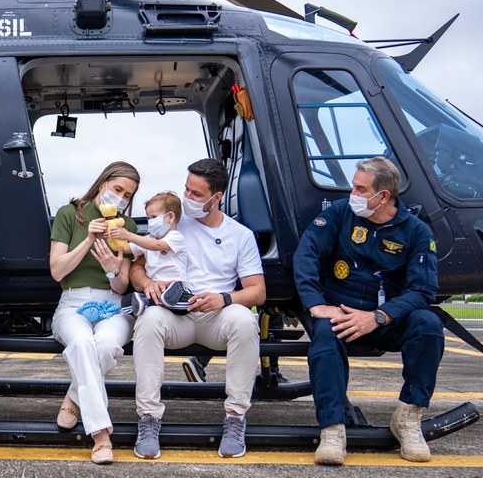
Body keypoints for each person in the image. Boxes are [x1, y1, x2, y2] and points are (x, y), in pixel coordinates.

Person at [293, 156, 442, 466]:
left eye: (360, 189)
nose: (353, 194)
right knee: (324, 334)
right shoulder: (340, 214)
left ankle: (408, 418)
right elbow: (307, 252)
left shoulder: (416, 232)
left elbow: (423, 290)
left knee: (428, 325)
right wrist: (315, 303)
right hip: (341, 312)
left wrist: (379, 317)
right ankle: (333, 429)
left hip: (388, 318)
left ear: (383, 195)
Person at [130, 158, 266, 459]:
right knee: (149, 319)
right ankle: (149, 417)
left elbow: (258, 292)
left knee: (244, 320)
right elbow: (136, 268)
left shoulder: (240, 235)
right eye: (186, 190)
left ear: (216, 198)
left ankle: (235, 417)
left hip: (216, 315)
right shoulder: (171, 223)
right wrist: (145, 283)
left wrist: (225, 298)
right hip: (174, 315)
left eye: (196, 194)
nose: (187, 199)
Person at [49, 161, 140, 465]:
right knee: (84, 343)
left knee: (105, 345)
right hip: (72, 303)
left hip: (112, 305)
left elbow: (123, 284)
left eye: (128, 195)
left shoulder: (127, 227)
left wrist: (113, 271)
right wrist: (88, 239)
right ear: (103, 183)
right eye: (117, 189)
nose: (121, 198)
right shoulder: (69, 214)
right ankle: (101, 435)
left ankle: (74, 396)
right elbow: (57, 270)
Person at [108, 191, 192, 315]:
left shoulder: (176, 237)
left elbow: (157, 246)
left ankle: (154, 301)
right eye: (148, 218)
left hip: (174, 287)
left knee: (187, 302)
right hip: (154, 289)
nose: (150, 221)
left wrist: (128, 235)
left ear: (170, 217)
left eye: (153, 217)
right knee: (125, 304)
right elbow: (126, 249)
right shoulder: (148, 239)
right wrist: (112, 235)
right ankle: (152, 300)